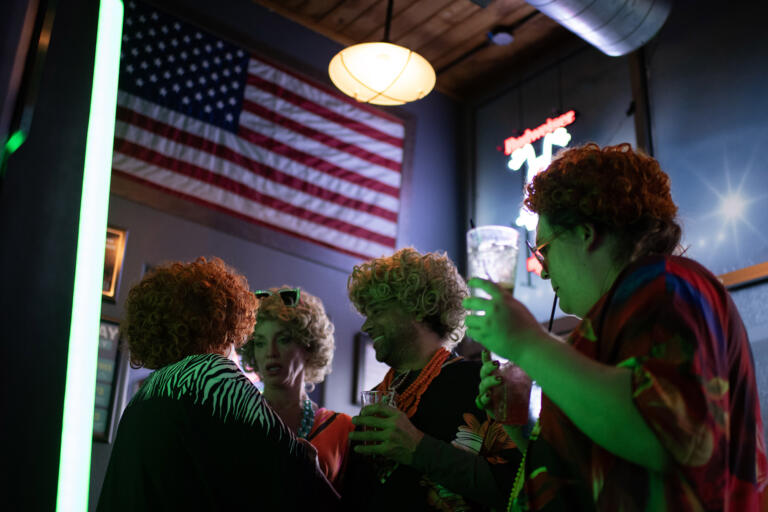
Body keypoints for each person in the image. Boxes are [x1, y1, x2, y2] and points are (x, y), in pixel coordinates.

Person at [465, 143, 768, 511]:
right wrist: (520, 423)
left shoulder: (666, 284)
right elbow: (600, 463)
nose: (543, 270)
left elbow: (661, 437)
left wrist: (528, 343)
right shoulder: (622, 313)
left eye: (544, 249)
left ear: (584, 233)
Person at [97, 258, 338, 511]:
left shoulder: (147, 392)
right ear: (220, 323)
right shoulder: (211, 375)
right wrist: (307, 462)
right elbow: (301, 479)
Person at [343, 247, 520, 511]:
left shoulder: (482, 383)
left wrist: (419, 449)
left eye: (377, 311)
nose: (366, 326)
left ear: (418, 306)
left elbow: (517, 489)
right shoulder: (377, 397)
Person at [237, 285, 354, 490]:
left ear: (309, 347)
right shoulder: (236, 419)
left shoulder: (341, 428)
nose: (270, 353)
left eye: (283, 339)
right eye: (260, 342)